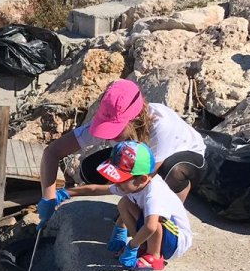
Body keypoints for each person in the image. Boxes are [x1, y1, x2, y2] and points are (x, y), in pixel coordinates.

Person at [37, 79, 207, 225]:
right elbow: (52, 152)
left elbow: (142, 183)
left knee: (173, 173)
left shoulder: (162, 126)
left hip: (186, 156)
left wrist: (124, 222)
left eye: (116, 130)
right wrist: (48, 197)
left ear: (135, 119)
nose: (111, 135)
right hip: (138, 151)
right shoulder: (112, 118)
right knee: (90, 170)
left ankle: (171, 214)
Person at [98, 141, 193, 271]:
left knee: (155, 221)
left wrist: (131, 245)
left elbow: (151, 227)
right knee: (124, 203)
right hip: (162, 235)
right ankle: (143, 246)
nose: (117, 183)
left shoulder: (154, 192)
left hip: (176, 242)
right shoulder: (137, 186)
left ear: (141, 179)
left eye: (121, 179)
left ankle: (154, 257)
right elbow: (99, 190)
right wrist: (120, 229)